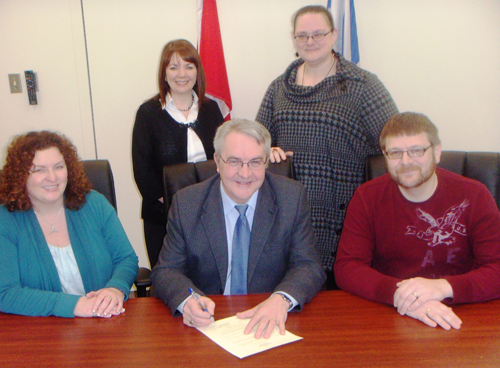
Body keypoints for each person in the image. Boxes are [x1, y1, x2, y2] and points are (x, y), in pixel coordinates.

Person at [256, 5, 398, 285]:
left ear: (334, 35)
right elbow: (256, 140)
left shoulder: (363, 85)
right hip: (287, 215)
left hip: (341, 217)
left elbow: (394, 142)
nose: (310, 42)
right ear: (294, 40)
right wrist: (266, 149)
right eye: (302, 36)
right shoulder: (278, 88)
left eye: (318, 34)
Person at [151, 119, 325, 339]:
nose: (245, 174)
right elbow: (166, 270)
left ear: (266, 163)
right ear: (217, 161)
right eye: (234, 161)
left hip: (270, 322)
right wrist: (188, 301)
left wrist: (281, 299)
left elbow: (308, 265)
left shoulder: (291, 198)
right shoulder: (187, 204)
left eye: (255, 162)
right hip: (209, 324)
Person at [334, 112, 500, 330]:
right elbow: (347, 267)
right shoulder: (367, 196)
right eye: (395, 152)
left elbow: (496, 267)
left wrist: (442, 287)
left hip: (462, 313)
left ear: (437, 152)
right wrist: (403, 296)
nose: (405, 161)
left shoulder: (474, 194)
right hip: (394, 313)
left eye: (416, 150)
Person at [0, 131, 139, 318]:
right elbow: (6, 293)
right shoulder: (6, 220)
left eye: (58, 167)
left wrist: (115, 289)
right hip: (40, 330)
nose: (52, 177)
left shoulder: (94, 204)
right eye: (39, 170)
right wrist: (76, 305)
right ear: (20, 176)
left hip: (104, 321)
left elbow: (126, 258)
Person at [132, 39, 224, 269]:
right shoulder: (148, 114)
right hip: (163, 217)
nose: (181, 74)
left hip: (210, 214)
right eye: (173, 67)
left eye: (188, 66)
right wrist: (176, 207)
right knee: (169, 281)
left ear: (197, 72)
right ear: (164, 74)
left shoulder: (211, 110)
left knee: (211, 279)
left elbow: (224, 157)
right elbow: (142, 169)